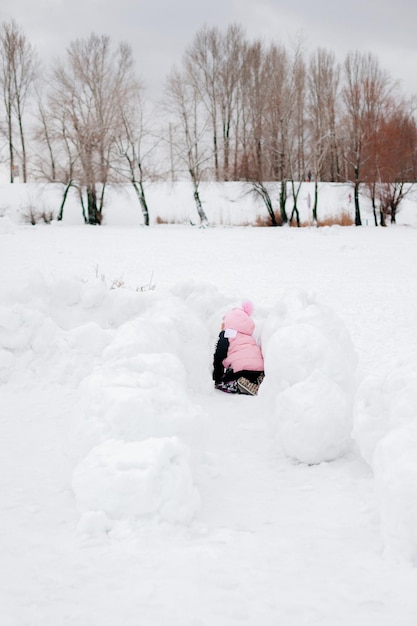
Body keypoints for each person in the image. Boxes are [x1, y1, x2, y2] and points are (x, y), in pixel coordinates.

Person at [212, 301, 264, 395]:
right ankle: (257, 381)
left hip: (240, 370)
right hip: (259, 368)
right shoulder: (248, 336)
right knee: (248, 370)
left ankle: (238, 383)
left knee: (223, 382)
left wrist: (217, 377)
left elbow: (220, 355)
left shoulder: (227, 334)